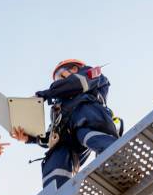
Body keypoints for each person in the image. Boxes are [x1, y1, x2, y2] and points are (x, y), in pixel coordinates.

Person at [11, 59, 120, 188]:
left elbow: (75, 83)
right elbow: (52, 135)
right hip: (69, 138)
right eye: (56, 79)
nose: (58, 81)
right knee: (56, 152)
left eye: (60, 75)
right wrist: (30, 138)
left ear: (74, 69)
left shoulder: (92, 74)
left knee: (87, 133)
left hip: (89, 119)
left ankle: (119, 164)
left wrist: (43, 95)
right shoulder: (59, 107)